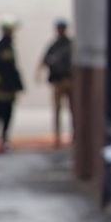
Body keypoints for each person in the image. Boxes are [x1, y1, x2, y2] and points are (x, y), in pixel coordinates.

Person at [0, 16, 24, 152]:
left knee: (8, 113)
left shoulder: (10, 46)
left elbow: (13, 68)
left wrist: (18, 84)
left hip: (9, 87)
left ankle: (4, 138)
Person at [36, 18, 74, 148]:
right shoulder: (54, 45)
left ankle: (74, 136)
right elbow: (44, 60)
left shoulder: (70, 45)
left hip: (69, 80)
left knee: (72, 109)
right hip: (58, 81)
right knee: (57, 109)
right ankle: (57, 137)